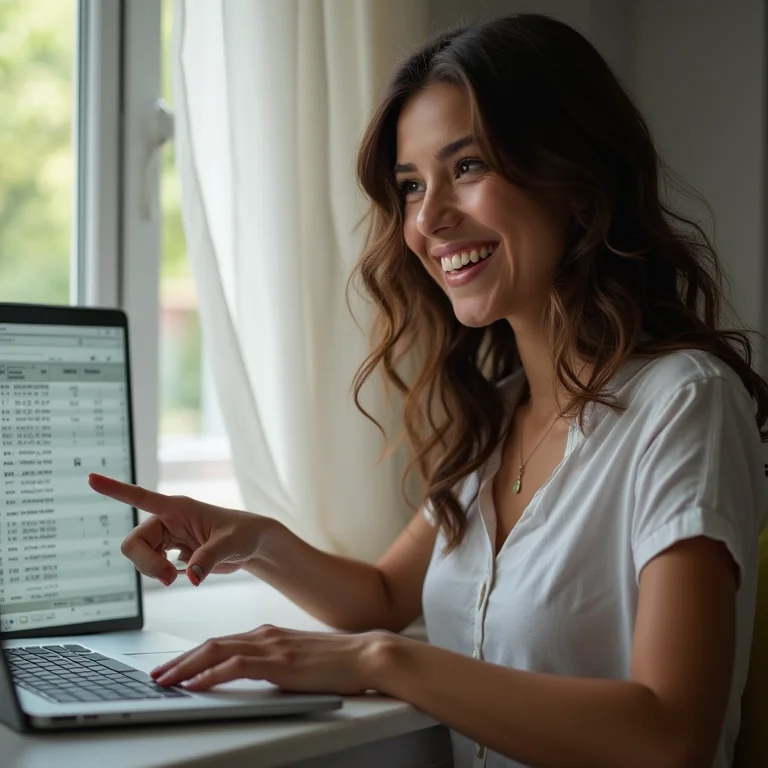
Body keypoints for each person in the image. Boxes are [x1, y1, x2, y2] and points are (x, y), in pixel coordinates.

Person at [88, 13, 767, 768]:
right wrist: (253, 539)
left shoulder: (685, 403)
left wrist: (383, 661)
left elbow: (671, 736)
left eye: (468, 167)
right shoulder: (505, 408)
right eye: (411, 185)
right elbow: (380, 595)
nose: (430, 219)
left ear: (576, 180)